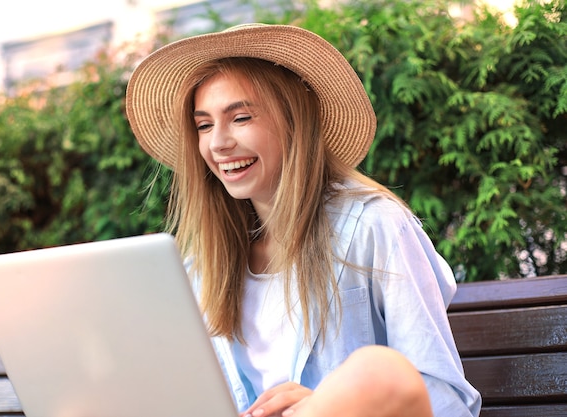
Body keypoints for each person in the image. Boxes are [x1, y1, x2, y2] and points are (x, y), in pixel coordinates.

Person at [125, 23, 481, 417]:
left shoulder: (374, 226)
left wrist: (329, 407)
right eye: (204, 125)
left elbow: (448, 403)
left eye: (240, 117)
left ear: (294, 120)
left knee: (376, 372)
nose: (218, 143)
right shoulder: (200, 268)